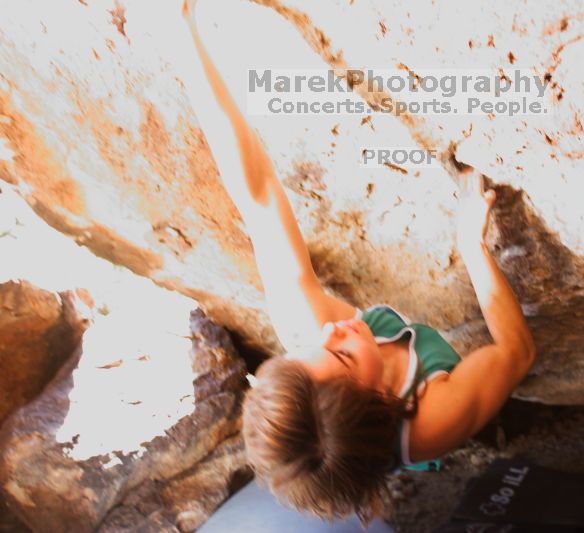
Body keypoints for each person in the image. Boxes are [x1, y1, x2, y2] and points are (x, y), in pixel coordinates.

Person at [178, 0, 536, 525]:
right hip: (412, 416)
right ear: (381, 397)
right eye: (343, 355)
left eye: (311, 351)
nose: (335, 330)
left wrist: (183, 33)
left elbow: (257, 194)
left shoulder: (311, 331)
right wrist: (473, 248)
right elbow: (517, 352)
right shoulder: (434, 418)